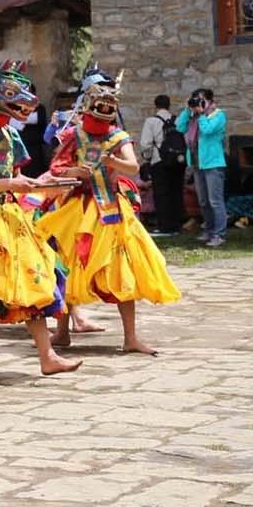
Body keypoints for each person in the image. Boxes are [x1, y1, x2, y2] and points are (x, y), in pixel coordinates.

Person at [0, 61, 82, 382]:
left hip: (10, 217)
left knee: (34, 281)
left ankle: (47, 355)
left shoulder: (8, 132)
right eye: (11, 95)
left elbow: (15, 176)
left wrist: (32, 183)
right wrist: (12, 184)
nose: (22, 103)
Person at [40, 69, 180, 355]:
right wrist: (74, 170)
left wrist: (112, 159)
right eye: (96, 117)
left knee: (121, 269)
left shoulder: (118, 136)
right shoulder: (74, 134)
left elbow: (133, 167)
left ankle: (130, 337)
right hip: (76, 208)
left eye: (106, 118)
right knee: (67, 265)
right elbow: (55, 168)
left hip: (111, 209)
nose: (99, 123)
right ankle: (63, 331)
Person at [177, 88, 229, 246]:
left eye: (200, 99)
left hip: (213, 163)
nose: (197, 102)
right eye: (195, 99)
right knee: (204, 201)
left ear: (209, 100)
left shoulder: (218, 115)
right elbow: (180, 127)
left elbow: (207, 130)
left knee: (215, 201)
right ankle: (209, 231)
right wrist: (188, 110)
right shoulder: (194, 117)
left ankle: (219, 234)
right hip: (197, 163)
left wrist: (200, 115)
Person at [139, 95, 185, 234]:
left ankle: (165, 226)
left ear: (156, 105)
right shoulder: (177, 120)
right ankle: (176, 226)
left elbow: (145, 143)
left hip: (159, 161)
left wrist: (147, 157)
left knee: (161, 194)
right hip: (177, 161)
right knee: (176, 192)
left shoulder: (151, 121)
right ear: (169, 105)